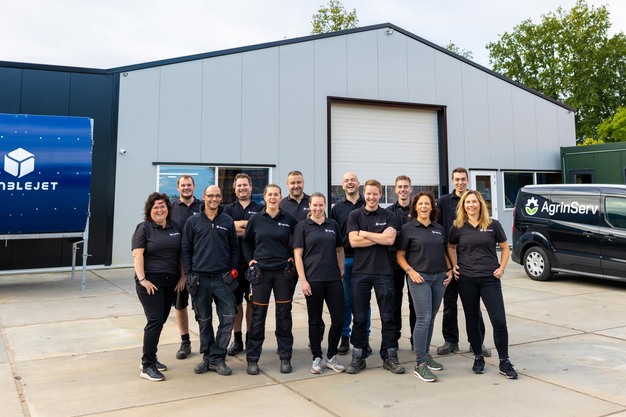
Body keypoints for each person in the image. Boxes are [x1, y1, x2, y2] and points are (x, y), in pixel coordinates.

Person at [447, 190, 518, 379]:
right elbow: (451, 246)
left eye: (474, 202)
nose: (471, 205)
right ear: (463, 206)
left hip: (490, 278)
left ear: (480, 204)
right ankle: (478, 356)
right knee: (472, 320)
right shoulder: (457, 226)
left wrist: (501, 268)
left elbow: (505, 247)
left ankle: (504, 361)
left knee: (499, 320)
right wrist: (454, 265)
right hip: (466, 279)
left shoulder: (493, 224)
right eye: (467, 202)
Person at [346, 179, 403, 375]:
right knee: (360, 318)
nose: (371, 197)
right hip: (360, 273)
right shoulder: (355, 215)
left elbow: (390, 240)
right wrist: (379, 236)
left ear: (380, 194)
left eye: (375, 194)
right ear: (364, 194)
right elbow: (354, 242)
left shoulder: (389, 215)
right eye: (368, 193)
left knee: (388, 316)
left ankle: (389, 356)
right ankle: (359, 356)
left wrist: (365, 233)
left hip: (384, 272)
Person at [181, 185, 239, 376]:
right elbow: (186, 249)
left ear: (221, 198)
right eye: (210, 195)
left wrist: (231, 270)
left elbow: (234, 248)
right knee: (204, 320)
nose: (214, 199)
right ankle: (207, 356)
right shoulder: (193, 221)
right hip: (200, 279)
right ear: (204, 197)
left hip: (223, 279)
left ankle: (217, 357)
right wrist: (189, 274)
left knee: (228, 317)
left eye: (217, 196)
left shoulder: (227, 221)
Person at [396, 192, 453, 382]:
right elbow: (400, 256)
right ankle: (420, 364)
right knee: (423, 318)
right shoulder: (408, 228)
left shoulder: (439, 228)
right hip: (419, 278)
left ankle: (426, 355)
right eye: (420, 203)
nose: (424, 206)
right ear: (415, 207)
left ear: (432, 207)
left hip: (439, 278)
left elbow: (443, 252)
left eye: (427, 203)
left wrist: (449, 270)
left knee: (431, 318)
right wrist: (410, 271)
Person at [242, 184, 298, 375]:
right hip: (261, 274)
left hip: (282, 273)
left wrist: (292, 256)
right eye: (270, 194)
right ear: (265, 197)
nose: (273, 197)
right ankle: (252, 360)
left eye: (276, 194)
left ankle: (285, 357)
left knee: (284, 316)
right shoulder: (256, 219)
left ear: (281, 197)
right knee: (258, 316)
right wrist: (249, 260)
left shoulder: (289, 219)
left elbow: (299, 240)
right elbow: (246, 242)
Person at [437, 167, 491, 357]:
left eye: (463, 179)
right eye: (457, 179)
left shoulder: (474, 200)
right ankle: (450, 341)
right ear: (452, 181)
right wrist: (448, 264)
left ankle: (477, 343)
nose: (460, 182)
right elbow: (439, 231)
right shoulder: (443, 202)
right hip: (449, 261)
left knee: (473, 304)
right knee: (449, 304)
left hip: (470, 261)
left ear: (467, 180)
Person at [132, 192, 184, 382]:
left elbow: (181, 255)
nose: (160, 209)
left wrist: (183, 277)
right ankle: (147, 366)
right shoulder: (144, 228)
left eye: (162, 206)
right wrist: (142, 280)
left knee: (160, 321)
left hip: (171, 283)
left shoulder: (175, 227)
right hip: (150, 283)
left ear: (168, 209)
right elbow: (137, 254)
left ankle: (151, 358)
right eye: (156, 207)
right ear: (150, 210)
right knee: (154, 322)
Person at [293, 192, 346, 374]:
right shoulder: (302, 226)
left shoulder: (333, 225)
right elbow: (298, 256)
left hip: (333, 280)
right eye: (314, 205)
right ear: (309, 206)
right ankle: (316, 357)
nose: (317, 208)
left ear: (325, 205)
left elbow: (340, 250)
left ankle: (331, 356)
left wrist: (341, 270)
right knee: (315, 320)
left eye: (321, 205)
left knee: (338, 318)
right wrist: (303, 280)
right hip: (313, 280)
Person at [329, 172, 371, 356]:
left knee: (363, 301)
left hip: (365, 259)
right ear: (342, 185)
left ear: (359, 183)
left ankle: (364, 338)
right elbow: (333, 236)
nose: (350, 183)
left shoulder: (367, 204)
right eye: (346, 180)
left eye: (353, 180)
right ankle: (345, 338)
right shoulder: (337, 208)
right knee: (345, 301)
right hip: (345, 259)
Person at [223, 173, 264, 356]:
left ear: (251, 187)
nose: (242, 188)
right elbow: (226, 231)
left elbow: (259, 231)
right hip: (232, 265)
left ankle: (250, 338)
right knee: (236, 303)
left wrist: (238, 226)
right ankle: (237, 339)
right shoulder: (227, 209)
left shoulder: (260, 208)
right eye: (239, 185)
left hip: (254, 264)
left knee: (252, 303)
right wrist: (247, 226)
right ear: (235, 188)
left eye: (245, 185)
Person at [170, 174, 203, 360]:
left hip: (202, 264)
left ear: (194, 186)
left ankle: (206, 341)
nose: (186, 188)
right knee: (180, 304)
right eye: (183, 185)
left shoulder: (203, 207)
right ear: (178, 188)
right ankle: (185, 341)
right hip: (179, 266)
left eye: (189, 185)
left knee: (203, 305)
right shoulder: (171, 209)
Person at [386, 175, 417, 348]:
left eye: (406, 186)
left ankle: (416, 339)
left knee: (415, 302)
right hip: (393, 262)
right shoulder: (389, 212)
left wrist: (398, 234)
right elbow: (387, 236)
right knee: (394, 302)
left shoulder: (418, 210)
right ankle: (394, 339)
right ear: (395, 189)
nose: (403, 189)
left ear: (411, 189)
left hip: (415, 262)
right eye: (400, 187)